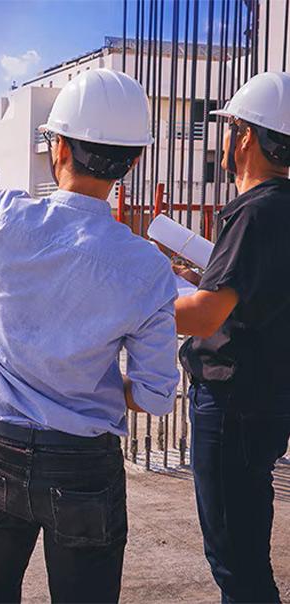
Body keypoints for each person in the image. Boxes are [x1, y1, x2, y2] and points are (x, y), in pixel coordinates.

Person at [0, 69, 179, 603]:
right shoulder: (147, 267)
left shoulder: (3, 219)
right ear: (132, 161)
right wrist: (82, 390)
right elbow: (158, 395)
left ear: (59, 148)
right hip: (85, 466)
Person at [175, 71, 290, 603]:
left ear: (244, 136)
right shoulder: (280, 207)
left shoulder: (257, 210)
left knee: (236, 564)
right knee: (244, 552)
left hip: (232, 405)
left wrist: (132, 298)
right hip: (262, 401)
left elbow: (203, 317)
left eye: (229, 128)